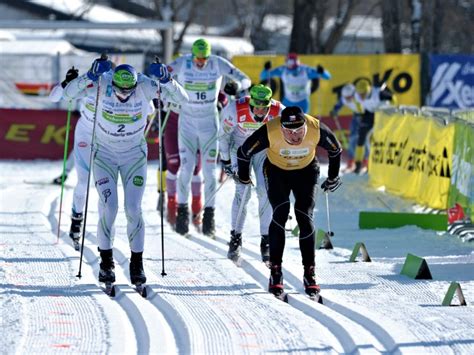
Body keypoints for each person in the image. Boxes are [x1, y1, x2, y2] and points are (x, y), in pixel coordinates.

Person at [63, 57, 188, 285]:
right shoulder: (102, 84)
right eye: (120, 90)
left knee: (133, 209)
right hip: (104, 156)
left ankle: (136, 264)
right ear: (113, 84)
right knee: (109, 208)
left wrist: (167, 80)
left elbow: (183, 99)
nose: (124, 95)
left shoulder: (144, 85)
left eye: (128, 90)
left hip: (133, 157)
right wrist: (89, 75)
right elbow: (68, 94)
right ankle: (106, 263)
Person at [236, 106, 342, 298]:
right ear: (281, 128)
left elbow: (335, 150)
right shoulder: (270, 130)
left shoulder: (316, 128)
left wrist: (333, 177)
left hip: (306, 171)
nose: (295, 136)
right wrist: (243, 177)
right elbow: (244, 152)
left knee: (304, 214)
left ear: (305, 126)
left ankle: (310, 273)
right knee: (281, 211)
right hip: (277, 172)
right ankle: (275, 272)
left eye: (300, 131)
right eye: (290, 131)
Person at [168, 38, 251, 236]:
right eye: (198, 58)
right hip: (186, 122)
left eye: (204, 58)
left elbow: (245, 78)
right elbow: (161, 74)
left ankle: (209, 217)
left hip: (209, 124)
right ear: (192, 54)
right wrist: (159, 76)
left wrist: (236, 86)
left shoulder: (217, 62)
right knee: (186, 169)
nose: (201, 62)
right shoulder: (183, 61)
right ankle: (181, 213)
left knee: (209, 172)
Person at [219, 84, 284, 263]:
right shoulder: (234, 109)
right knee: (243, 191)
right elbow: (223, 136)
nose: (261, 111)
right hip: (239, 150)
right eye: (257, 106)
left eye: (265, 107)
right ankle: (236, 237)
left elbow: (289, 132)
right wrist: (225, 160)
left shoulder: (279, 110)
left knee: (265, 191)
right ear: (251, 102)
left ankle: (266, 239)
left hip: (263, 151)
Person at [49, 67, 98, 248]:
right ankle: (77, 218)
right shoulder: (88, 83)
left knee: (104, 185)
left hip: (109, 138)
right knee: (83, 181)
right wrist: (66, 82)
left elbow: (148, 108)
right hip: (85, 132)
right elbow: (54, 97)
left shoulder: (117, 87)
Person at [260, 53, 331, 113]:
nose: (292, 72)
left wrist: (322, 71)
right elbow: (264, 76)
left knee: (303, 122)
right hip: (287, 101)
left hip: (302, 101)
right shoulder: (283, 70)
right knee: (284, 121)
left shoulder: (306, 70)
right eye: (289, 68)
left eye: (294, 69)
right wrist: (266, 69)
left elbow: (327, 77)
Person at [353, 78, 396, 174]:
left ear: (368, 90)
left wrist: (392, 111)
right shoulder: (357, 95)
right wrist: (360, 111)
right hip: (369, 113)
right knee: (361, 138)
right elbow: (357, 102)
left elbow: (392, 98)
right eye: (360, 94)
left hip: (381, 113)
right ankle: (358, 165)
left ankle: (374, 165)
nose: (361, 96)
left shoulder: (378, 94)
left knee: (377, 139)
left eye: (363, 94)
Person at [330, 83, 368, 172]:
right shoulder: (344, 98)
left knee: (364, 140)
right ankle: (350, 163)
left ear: (354, 94)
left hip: (366, 116)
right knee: (352, 139)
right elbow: (338, 105)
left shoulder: (359, 96)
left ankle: (365, 162)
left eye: (350, 97)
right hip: (356, 116)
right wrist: (334, 111)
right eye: (346, 98)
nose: (348, 99)